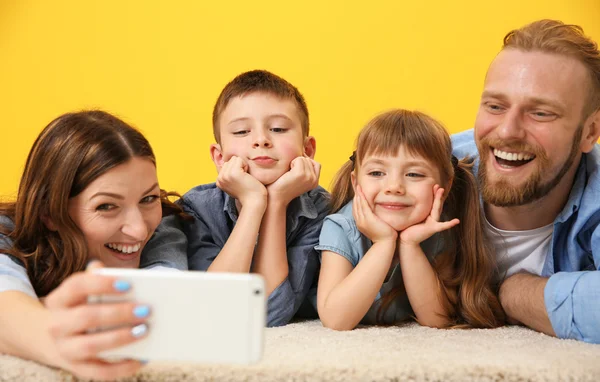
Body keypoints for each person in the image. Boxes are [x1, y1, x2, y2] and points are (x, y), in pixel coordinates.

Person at [0, 110, 186, 380]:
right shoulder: (6, 232)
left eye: (148, 199)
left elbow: (168, 295)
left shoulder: (164, 227)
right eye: (107, 206)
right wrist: (54, 337)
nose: (139, 229)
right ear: (49, 212)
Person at [142, 70, 329, 327]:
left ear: (307, 150)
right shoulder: (196, 210)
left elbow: (267, 313)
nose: (261, 140)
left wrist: (275, 203)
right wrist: (253, 204)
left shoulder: (321, 211)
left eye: (277, 128)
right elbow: (216, 306)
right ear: (219, 157)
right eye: (242, 132)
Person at [452, 19, 600, 343]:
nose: (507, 131)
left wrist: (514, 292)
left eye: (541, 113)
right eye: (495, 106)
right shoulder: (431, 167)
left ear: (590, 132)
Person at [316, 109, 505, 330]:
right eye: (377, 173)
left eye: (414, 174)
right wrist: (383, 243)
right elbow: (335, 320)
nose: (394, 187)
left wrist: (409, 244)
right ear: (356, 183)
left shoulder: (440, 229)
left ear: (446, 185)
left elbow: (437, 320)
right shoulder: (340, 227)